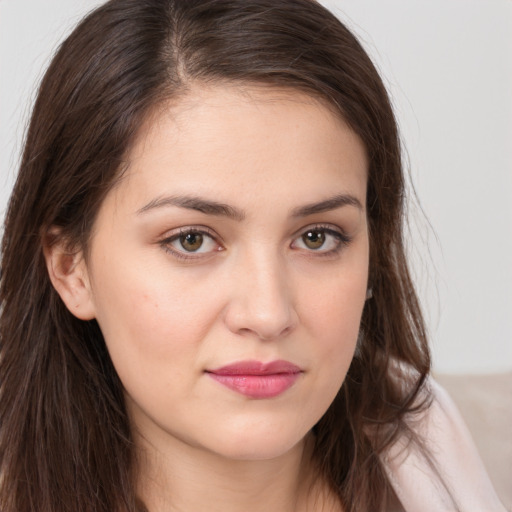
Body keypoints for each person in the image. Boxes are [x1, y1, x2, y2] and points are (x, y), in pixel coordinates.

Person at [0, 1, 505, 511]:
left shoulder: (415, 429)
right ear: (71, 267)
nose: (268, 314)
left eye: (317, 237)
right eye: (191, 240)